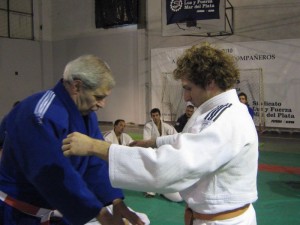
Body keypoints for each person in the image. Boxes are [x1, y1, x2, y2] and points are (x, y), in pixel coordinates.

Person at [62, 43, 259, 225]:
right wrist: (153, 142)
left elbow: (169, 167)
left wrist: (96, 146)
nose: (186, 97)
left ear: (210, 82)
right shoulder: (217, 111)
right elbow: (192, 140)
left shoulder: (228, 119)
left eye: (188, 88)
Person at [0, 55, 145, 225]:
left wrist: (114, 200)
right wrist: (100, 214)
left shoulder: (86, 114)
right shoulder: (39, 114)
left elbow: (94, 161)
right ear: (76, 86)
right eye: (98, 97)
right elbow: (52, 176)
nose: (103, 104)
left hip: (54, 210)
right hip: (17, 213)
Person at [142, 108, 182, 202]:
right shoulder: (148, 126)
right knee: (152, 169)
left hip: (165, 151)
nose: (155, 117)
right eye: (153, 116)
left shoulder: (166, 126)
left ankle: (164, 187)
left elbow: (175, 135)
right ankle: (150, 190)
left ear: (160, 116)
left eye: (156, 115)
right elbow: (146, 140)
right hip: (153, 150)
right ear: (151, 117)